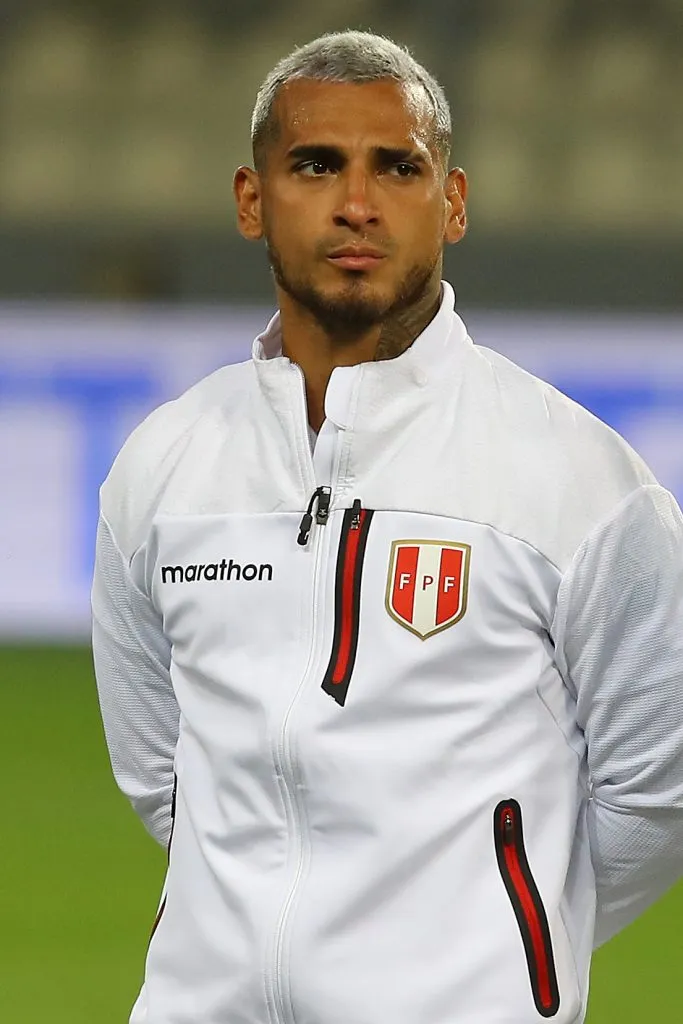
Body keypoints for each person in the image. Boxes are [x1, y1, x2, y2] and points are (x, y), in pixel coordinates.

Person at [91, 29, 683, 1024]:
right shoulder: (163, 465)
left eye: (396, 168)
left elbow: (655, 791)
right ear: (251, 200)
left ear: (450, 203)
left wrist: (497, 941)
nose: (355, 203)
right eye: (314, 164)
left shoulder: (577, 478)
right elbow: (162, 776)